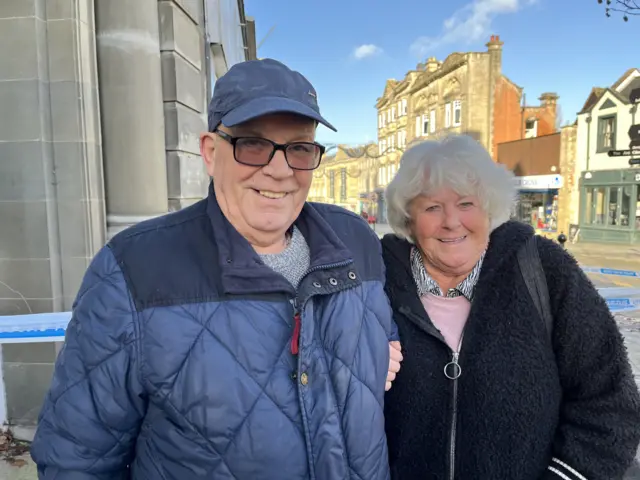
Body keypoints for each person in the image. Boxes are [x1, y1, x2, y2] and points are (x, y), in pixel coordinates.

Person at [31, 58, 401, 479]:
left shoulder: (355, 240)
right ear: (210, 151)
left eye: (299, 148)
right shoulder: (133, 270)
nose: (279, 170)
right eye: (253, 144)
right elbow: (77, 459)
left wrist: (382, 346)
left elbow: (389, 332)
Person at [381, 134, 640, 480]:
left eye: (466, 204)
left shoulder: (544, 271)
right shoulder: (377, 283)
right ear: (408, 218)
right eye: (432, 207)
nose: (451, 221)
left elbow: (609, 401)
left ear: (489, 208)